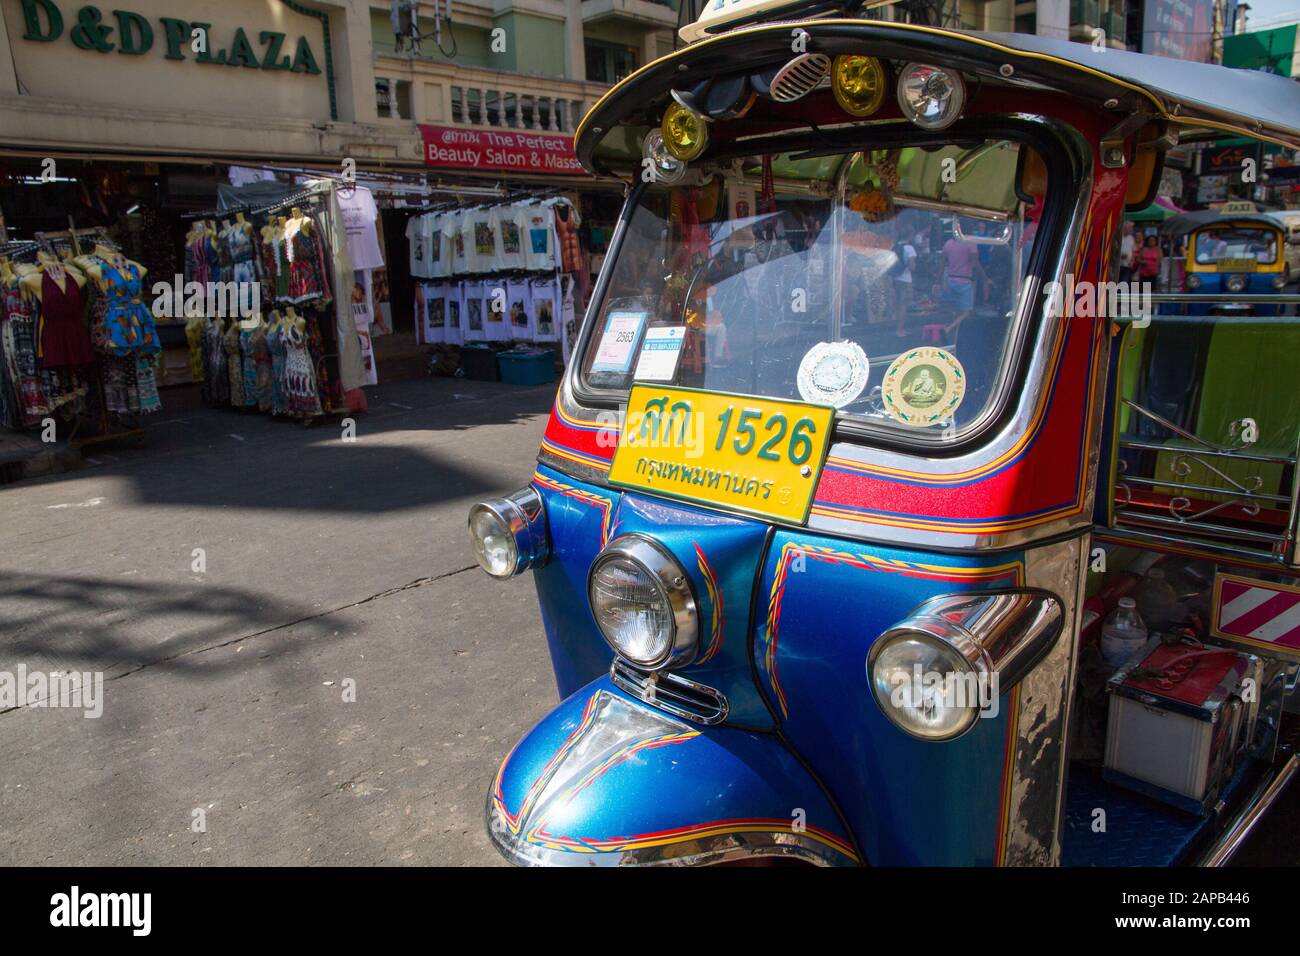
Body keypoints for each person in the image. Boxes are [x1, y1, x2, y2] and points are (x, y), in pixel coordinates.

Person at [941, 231, 985, 336]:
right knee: (966, 312)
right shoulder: (970, 243)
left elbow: (942, 262)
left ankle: (956, 333)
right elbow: (975, 262)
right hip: (964, 280)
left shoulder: (948, 243)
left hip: (950, 279)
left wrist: (937, 280)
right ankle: (949, 329)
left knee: (957, 309)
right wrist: (984, 277)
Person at [892, 227, 918, 335]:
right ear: (910, 235)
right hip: (906, 279)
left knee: (897, 303)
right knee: (903, 305)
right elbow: (912, 267)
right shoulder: (909, 248)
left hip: (895, 278)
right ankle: (900, 330)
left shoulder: (895, 246)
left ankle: (896, 328)